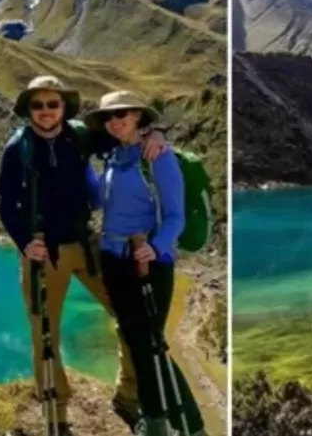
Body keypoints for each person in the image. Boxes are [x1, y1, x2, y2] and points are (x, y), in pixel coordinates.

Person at [0, 76, 166, 435]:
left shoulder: (79, 136)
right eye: (38, 105)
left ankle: (129, 394)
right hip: (44, 249)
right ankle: (56, 411)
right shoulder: (17, 148)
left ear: (64, 108)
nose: (45, 112)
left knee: (127, 313)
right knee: (45, 333)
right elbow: (6, 203)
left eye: (52, 104)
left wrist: (155, 134)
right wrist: (25, 242)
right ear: (29, 109)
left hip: (85, 242)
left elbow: (124, 133)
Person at [86, 90, 207, 436]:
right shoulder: (113, 158)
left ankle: (183, 424)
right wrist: (79, 162)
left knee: (150, 345)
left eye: (122, 113)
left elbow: (175, 216)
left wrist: (156, 247)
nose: (114, 120)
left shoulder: (157, 156)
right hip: (114, 261)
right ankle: (161, 422)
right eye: (108, 116)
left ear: (139, 115)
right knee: (137, 341)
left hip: (147, 263)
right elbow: (97, 201)